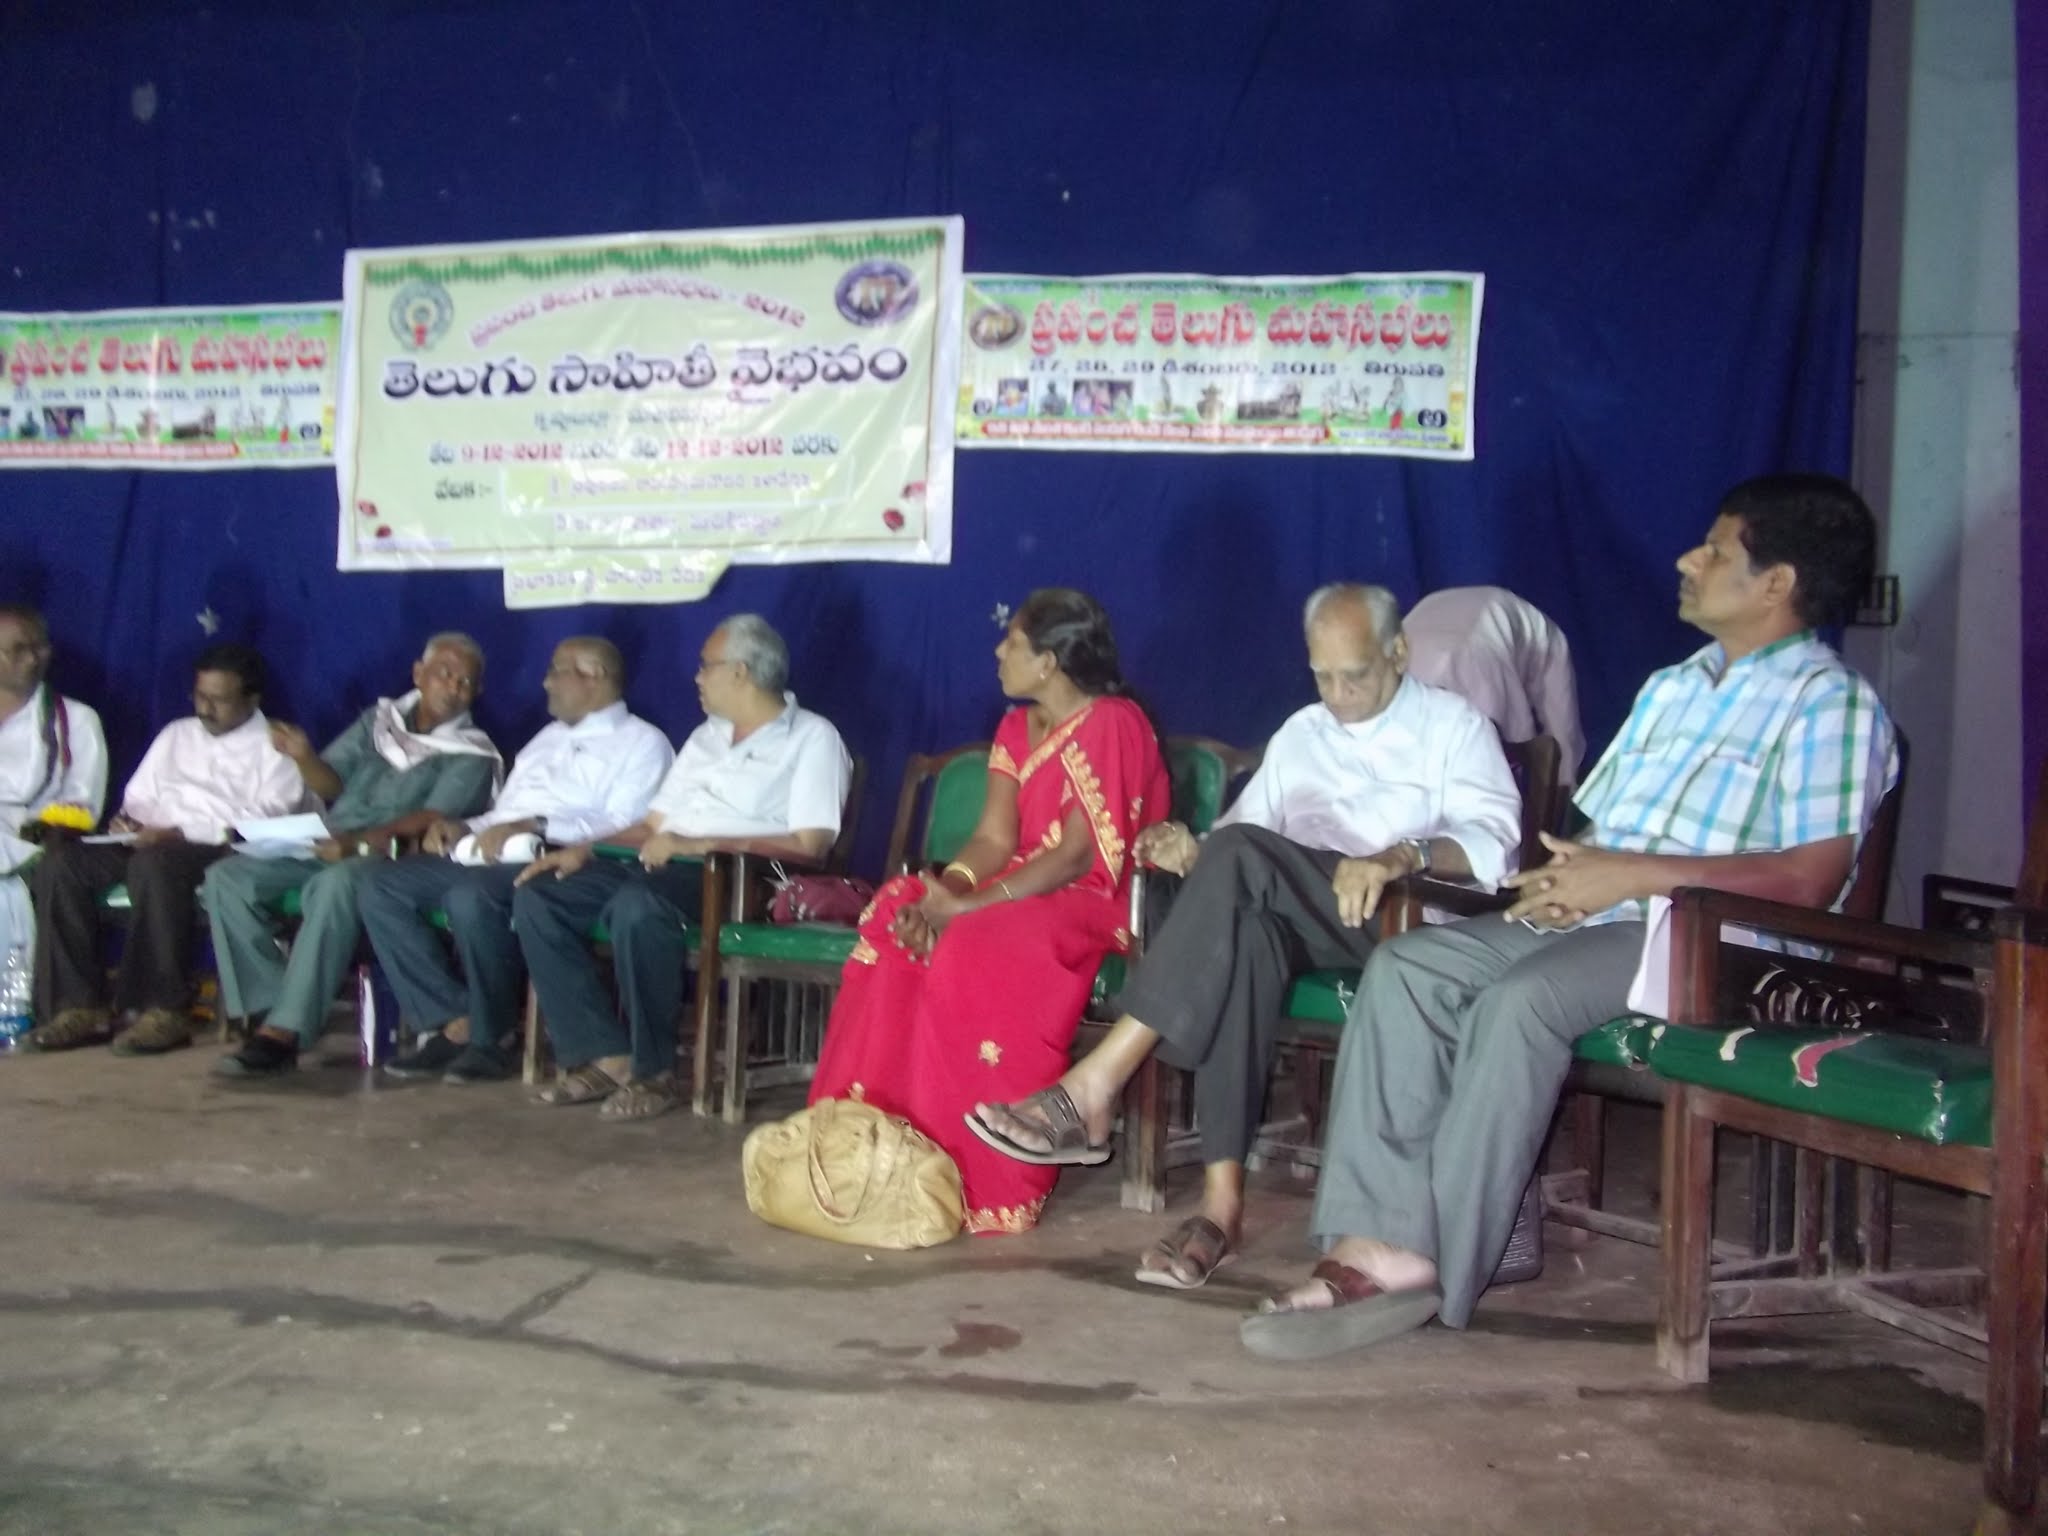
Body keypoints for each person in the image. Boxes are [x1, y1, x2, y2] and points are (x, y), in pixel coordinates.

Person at [1235, 472, 1899, 1360]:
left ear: (1776, 583)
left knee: (1523, 1001)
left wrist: (1630, 878)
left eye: (1714, 551)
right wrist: (1562, 876)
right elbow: (1596, 830)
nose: (1687, 560)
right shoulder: (1673, 687)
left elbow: (1810, 878)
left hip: (1718, 941)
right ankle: (1372, 1235)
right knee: (1407, 968)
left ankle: (1435, 1259)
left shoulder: (1831, 702)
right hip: (1607, 917)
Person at [966, 584, 1522, 1272]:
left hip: (1399, 917)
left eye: (1355, 675)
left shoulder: (1454, 726)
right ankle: (1220, 1207)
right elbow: (1239, 838)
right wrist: (1189, 848)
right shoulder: (1304, 732)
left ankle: (1095, 1085)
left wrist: (1402, 855)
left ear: (1399, 652)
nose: (1339, 695)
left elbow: (1497, 842)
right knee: (1247, 937)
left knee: (1240, 871)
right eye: (1323, 676)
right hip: (1305, 908)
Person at [810, 588, 1169, 1235]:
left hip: (1092, 898)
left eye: (1014, 643)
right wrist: (944, 892)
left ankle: (983, 1178)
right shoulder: (1014, 727)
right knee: (895, 912)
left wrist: (965, 910)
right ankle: (873, 1144)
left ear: (1050, 662)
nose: (999, 651)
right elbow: (995, 839)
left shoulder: (1114, 721)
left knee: (973, 941)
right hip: (1010, 887)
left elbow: (1076, 856)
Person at [512, 614, 850, 1121]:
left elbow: (810, 845)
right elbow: (652, 825)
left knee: (638, 908)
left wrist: (700, 843)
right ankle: (606, 1055)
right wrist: (586, 847)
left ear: (740, 672)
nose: (697, 677)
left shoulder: (812, 737)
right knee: (541, 897)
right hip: (661, 862)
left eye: (706, 666)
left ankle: (656, 1073)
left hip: (738, 877)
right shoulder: (705, 737)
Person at [358, 637, 673, 1084]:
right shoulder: (546, 739)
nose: (546, 682)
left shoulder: (643, 743)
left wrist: (536, 824)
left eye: (557, 671)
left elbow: (626, 825)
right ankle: (454, 1018)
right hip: (494, 850)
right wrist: (463, 826)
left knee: (471, 895)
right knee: (380, 885)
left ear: (595, 676)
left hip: (559, 859)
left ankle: (493, 1037)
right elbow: (503, 813)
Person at [209, 633, 500, 1078]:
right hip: (330, 838)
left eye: (465, 682)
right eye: (444, 674)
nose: (453, 687)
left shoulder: (472, 752)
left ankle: (284, 1031)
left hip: (390, 854)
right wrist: (304, 757)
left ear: (477, 692)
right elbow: (331, 784)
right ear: (418, 674)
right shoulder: (378, 722)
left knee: (336, 885)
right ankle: (278, 1005)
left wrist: (357, 842)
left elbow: (431, 817)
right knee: (227, 879)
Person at [25, 643, 308, 1055]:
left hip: (216, 846)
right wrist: (129, 821)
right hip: (150, 839)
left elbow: (264, 819)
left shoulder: (276, 745)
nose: (206, 708)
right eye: (200, 696)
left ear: (252, 700)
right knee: (63, 866)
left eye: (219, 700)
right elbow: (139, 796)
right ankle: (77, 1007)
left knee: (155, 864)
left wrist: (177, 831)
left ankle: (161, 1009)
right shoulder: (178, 733)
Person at [0, 605, 108, 980]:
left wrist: (38, 829)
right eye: (18, 650)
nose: (33, 659)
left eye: (39, 648)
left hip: (32, 840)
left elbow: (84, 805)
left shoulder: (75, 719)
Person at [1402, 585, 1587, 784]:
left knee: (1561, 755)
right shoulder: (1392, 701)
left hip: (1527, 639)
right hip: (1437, 615)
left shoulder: (1485, 689)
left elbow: (1523, 748)